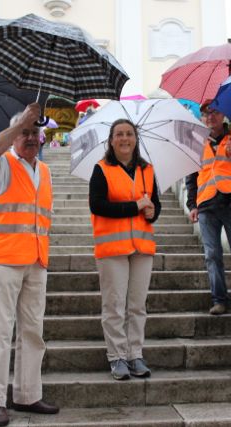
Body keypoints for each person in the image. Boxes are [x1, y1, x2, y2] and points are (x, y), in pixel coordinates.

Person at [0, 103, 59, 427]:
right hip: (3, 258)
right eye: (24, 132)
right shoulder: (4, 164)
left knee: (32, 331)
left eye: (34, 132)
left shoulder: (45, 171)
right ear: (13, 137)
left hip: (36, 259)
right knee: (0, 331)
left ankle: (28, 393)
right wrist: (20, 121)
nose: (29, 137)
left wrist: (41, 257)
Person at [89, 118, 161, 380]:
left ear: (135, 139)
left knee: (138, 305)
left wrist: (152, 211)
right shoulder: (102, 169)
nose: (124, 139)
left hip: (142, 247)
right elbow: (97, 205)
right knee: (114, 305)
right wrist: (135, 207)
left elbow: (154, 203)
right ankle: (117, 357)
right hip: (112, 248)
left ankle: (135, 354)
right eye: (119, 134)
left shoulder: (147, 169)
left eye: (129, 134)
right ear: (111, 140)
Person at [185, 99, 231, 316]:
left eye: (215, 112)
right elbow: (192, 178)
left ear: (223, 115)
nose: (210, 117)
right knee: (212, 255)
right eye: (206, 114)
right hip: (207, 204)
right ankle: (219, 299)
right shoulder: (197, 144)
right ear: (202, 118)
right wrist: (192, 204)